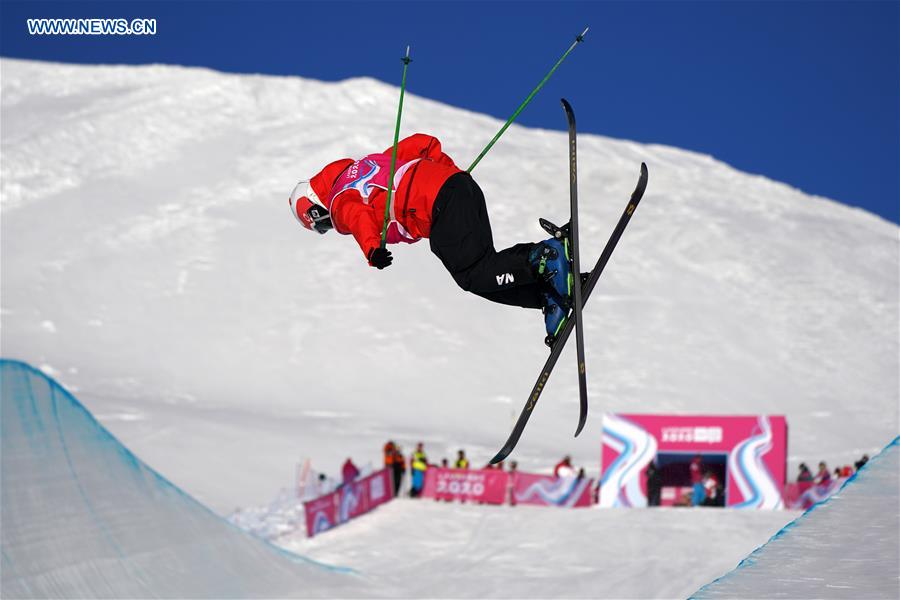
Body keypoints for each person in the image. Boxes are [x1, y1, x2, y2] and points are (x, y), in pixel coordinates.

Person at [288, 134, 577, 343]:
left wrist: (372, 250)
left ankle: (545, 261)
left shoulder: (338, 199)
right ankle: (552, 288)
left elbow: (356, 217)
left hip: (436, 204)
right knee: (482, 269)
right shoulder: (371, 163)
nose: (329, 228)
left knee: (473, 275)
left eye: (321, 225)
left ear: (315, 207)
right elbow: (423, 143)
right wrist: (448, 172)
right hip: (458, 187)